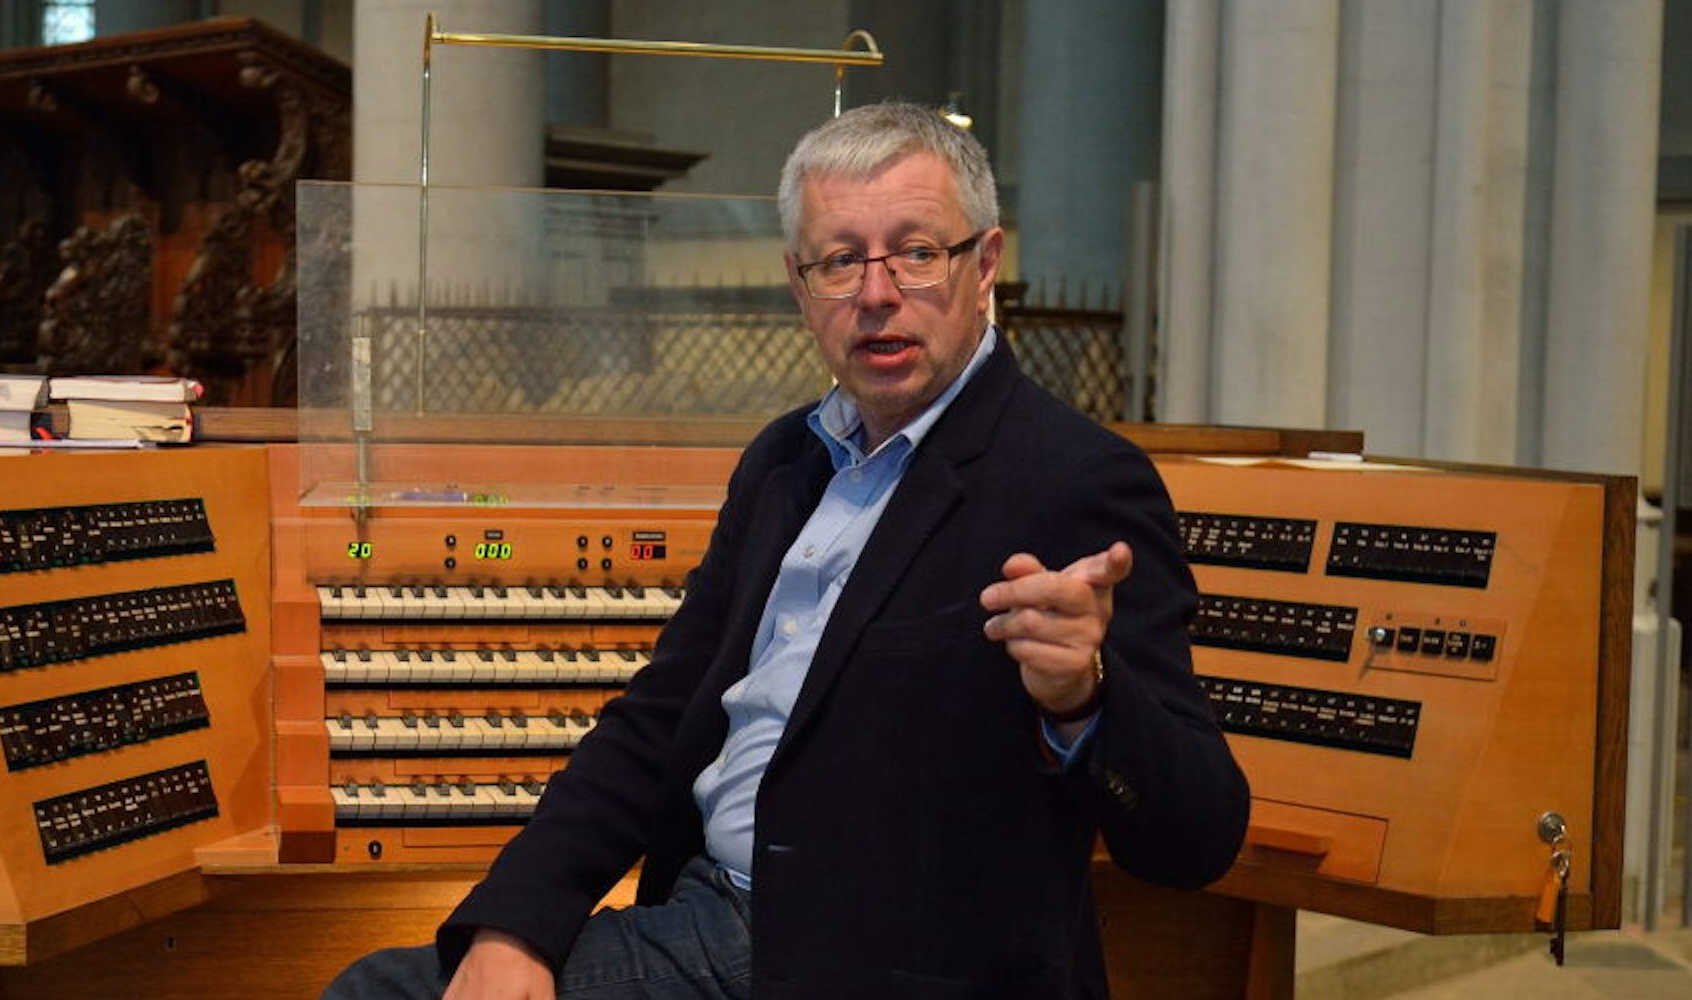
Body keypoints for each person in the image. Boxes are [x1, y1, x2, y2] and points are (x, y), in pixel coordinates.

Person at [324, 100, 1249, 999]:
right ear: (800, 288)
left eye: (916, 252)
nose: (877, 294)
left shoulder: (1075, 478)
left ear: (984, 265)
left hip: (871, 962)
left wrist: (1085, 697)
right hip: (715, 912)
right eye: (840, 261)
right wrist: (515, 925)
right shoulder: (785, 462)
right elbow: (658, 719)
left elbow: (1199, 837)